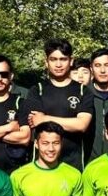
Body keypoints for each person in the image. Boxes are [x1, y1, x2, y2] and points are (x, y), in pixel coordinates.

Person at [24, 39, 93, 170]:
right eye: (53, 59)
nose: (58, 64)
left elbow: (82, 125)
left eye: (63, 59)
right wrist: (70, 122)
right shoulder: (37, 90)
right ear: (46, 62)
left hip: (73, 163)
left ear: (71, 61)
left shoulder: (83, 91)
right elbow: (36, 122)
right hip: (42, 165)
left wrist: (45, 118)